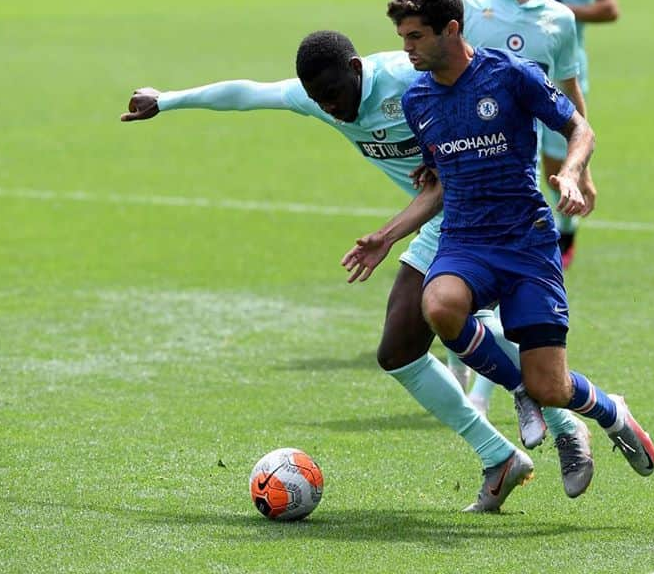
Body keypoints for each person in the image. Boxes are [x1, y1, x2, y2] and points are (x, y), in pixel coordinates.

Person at [119, 30, 593, 511]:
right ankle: (501, 456)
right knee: (400, 352)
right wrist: (167, 101)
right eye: (317, 101)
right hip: (434, 220)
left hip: (487, 217)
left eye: (334, 97)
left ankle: (563, 424)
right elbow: (247, 93)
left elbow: (488, 88)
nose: (330, 109)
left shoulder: (406, 77)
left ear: (354, 67)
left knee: (462, 323)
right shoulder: (317, 97)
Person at [343, 0, 654, 500]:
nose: (407, 50)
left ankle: (610, 410)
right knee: (439, 305)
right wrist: (387, 236)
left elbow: (581, 129)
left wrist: (574, 173)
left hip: (527, 241)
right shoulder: (418, 101)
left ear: (451, 29)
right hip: (466, 240)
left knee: (551, 385)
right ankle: (518, 391)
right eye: (402, 38)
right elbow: (439, 183)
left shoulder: (509, 75)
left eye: (416, 37)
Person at [454, 0, 595, 416]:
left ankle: (493, 393)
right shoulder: (466, 2)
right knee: (446, 300)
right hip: (454, 170)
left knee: (483, 295)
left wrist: (579, 169)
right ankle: (496, 389)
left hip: (515, 180)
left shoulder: (559, 21)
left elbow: (569, 102)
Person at [501, 0, 620, 269]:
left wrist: (553, 12)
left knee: (558, 160)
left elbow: (610, 8)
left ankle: (566, 230)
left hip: (563, 72)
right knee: (516, 158)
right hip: (514, 74)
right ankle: (526, 239)